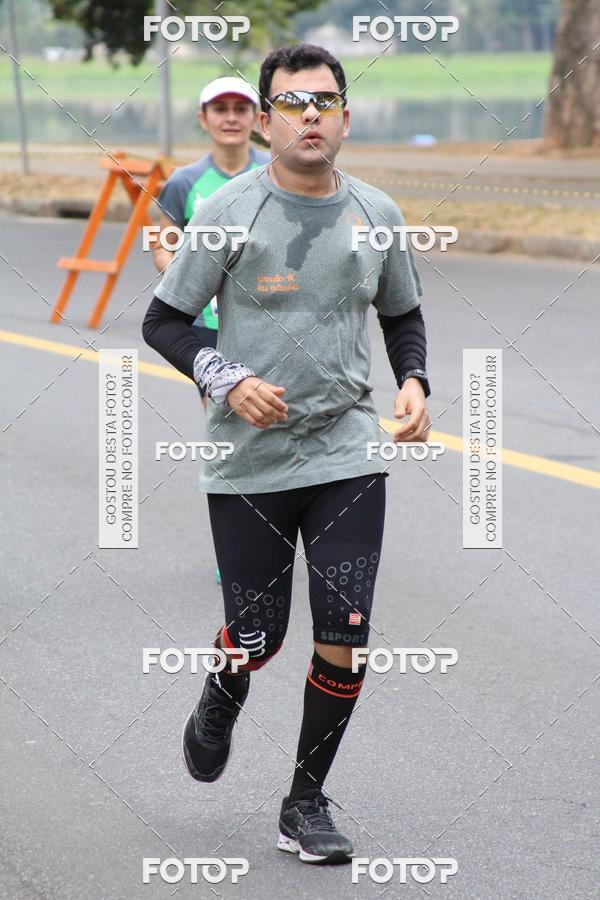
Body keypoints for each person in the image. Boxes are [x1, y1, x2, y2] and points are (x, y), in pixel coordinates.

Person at [142, 44, 430, 865]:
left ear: (345, 115)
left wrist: (414, 381)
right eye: (293, 103)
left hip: (346, 449)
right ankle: (226, 684)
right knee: (259, 637)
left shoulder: (377, 211)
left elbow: (403, 314)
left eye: (326, 101)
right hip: (250, 459)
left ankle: (304, 802)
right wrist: (227, 379)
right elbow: (164, 320)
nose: (311, 116)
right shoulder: (230, 210)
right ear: (265, 122)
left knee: (346, 626)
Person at [150, 75, 270, 584]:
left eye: (240, 108)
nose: (229, 117)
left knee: (274, 429)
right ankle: (235, 550)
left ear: (257, 119)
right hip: (206, 332)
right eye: (218, 108)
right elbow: (161, 241)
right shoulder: (183, 183)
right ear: (204, 119)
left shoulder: (278, 172)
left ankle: (280, 530)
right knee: (228, 435)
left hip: (271, 325)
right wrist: (185, 281)